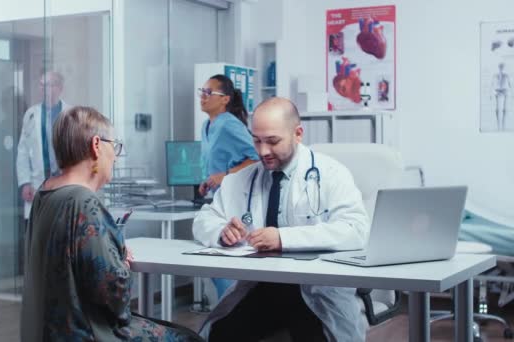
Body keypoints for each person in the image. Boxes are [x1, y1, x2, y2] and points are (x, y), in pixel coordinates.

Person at [192, 97, 370, 341]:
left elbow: (355, 229)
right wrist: (222, 231)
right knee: (221, 334)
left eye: (273, 141)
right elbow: (204, 220)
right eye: (256, 140)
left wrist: (283, 238)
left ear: (297, 134)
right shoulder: (241, 178)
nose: (263, 151)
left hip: (314, 289)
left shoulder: (331, 174)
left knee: (313, 335)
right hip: (260, 287)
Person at [20, 106, 202, 342]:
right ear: (96, 145)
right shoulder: (82, 201)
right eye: (113, 146)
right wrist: (121, 262)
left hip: (52, 332)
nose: (115, 156)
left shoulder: (44, 193)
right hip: (88, 332)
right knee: (189, 338)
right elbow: (115, 295)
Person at [197, 74, 260, 299]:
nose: (202, 97)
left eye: (208, 92)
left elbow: (256, 157)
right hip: (218, 199)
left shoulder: (229, 124)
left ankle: (234, 314)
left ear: (225, 99)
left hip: (236, 198)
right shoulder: (207, 125)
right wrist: (209, 181)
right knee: (216, 262)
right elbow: (215, 164)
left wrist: (225, 175)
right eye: (201, 91)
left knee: (227, 263)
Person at [16, 71, 71, 220]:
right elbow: (23, 151)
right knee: (39, 229)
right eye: (41, 85)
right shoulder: (31, 114)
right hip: (38, 182)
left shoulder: (70, 114)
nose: (42, 89)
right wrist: (25, 182)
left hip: (63, 180)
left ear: (59, 88)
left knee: (62, 224)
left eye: (47, 85)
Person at [492, 62, 511, 130]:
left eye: (502, 67)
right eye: (500, 67)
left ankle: (503, 125)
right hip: (498, 90)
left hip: (504, 90)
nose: (501, 68)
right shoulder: (495, 75)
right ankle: (498, 125)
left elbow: (510, 85)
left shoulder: (506, 75)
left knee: (504, 108)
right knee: (497, 108)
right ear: (499, 67)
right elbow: (492, 85)